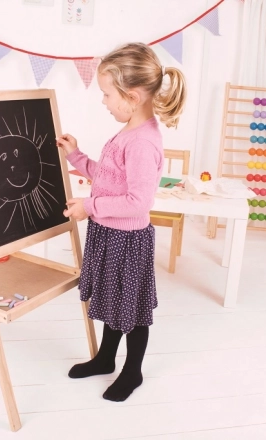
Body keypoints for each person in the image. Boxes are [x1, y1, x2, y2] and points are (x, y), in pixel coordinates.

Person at [56, 42, 186, 402]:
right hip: (108, 234)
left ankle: (133, 372)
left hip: (127, 240)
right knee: (114, 301)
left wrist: (89, 207)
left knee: (133, 308)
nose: (103, 100)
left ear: (133, 95)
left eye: (107, 93)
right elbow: (110, 178)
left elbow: (137, 202)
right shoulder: (129, 130)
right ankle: (105, 358)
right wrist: (77, 156)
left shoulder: (143, 142)